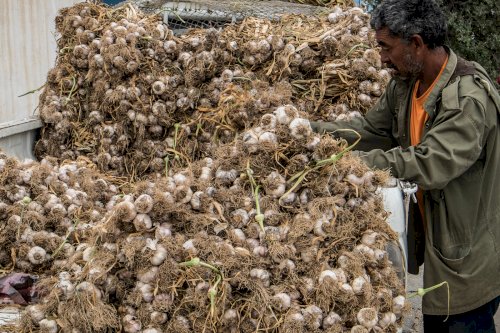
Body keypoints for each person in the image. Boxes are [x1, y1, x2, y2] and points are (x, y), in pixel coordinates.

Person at [311, 0, 500, 331]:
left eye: (386, 47)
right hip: (441, 241)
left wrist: (348, 162)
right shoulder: (406, 84)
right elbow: (369, 132)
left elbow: (429, 162)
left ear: (416, 43)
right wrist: (309, 135)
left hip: (469, 256)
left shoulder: (468, 99)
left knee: (458, 319)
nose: (381, 58)